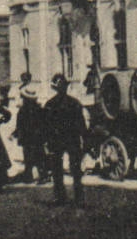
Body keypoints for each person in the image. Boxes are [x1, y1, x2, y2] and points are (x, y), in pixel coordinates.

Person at [44, 73, 88, 207]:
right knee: (75, 170)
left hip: (57, 140)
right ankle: (78, 198)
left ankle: (60, 197)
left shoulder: (50, 104)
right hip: (72, 139)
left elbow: (46, 125)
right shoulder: (75, 103)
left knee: (57, 169)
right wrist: (84, 140)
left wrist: (46, 141)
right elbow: (82, 125)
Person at [12, 82, 46, 183]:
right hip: (38, 137)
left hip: (27, 138)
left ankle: (29, 175)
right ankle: (42, 175)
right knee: (39, 156)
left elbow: (20, 125)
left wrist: (15, 134)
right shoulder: (39, 109)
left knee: (28, 157)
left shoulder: (23, 111)